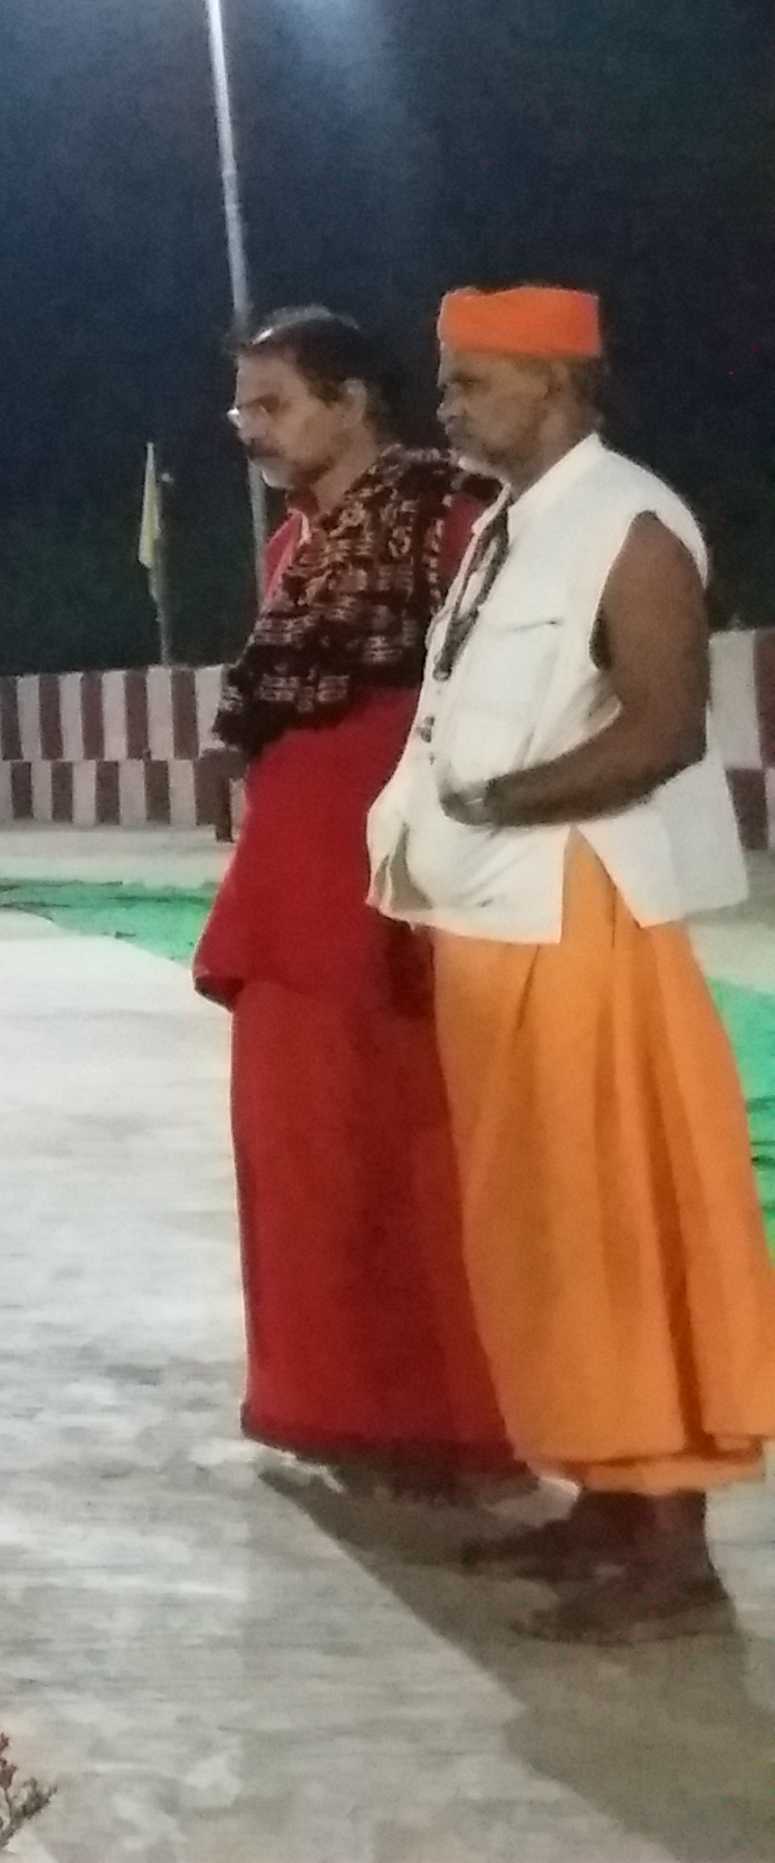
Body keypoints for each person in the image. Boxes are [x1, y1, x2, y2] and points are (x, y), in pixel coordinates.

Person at [369, 285, 775, 1643]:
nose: (447, 406)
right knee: (540, 1225)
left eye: (471, 383)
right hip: (500, 920)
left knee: (617, 1224)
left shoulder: (633, 524)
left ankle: (674, 1545)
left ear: (554, 384)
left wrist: (495, 803)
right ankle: (602, 1498)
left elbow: (661, 730)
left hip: (584, 917)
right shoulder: (512, 526)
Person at [195, 309, 513, 1498]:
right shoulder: (299, 547)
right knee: (305, 1158)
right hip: (293, 894)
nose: (250, 431)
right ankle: (329, 1408)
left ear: (353, 400)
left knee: (415, 1160)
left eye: (273, 404)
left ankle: (455, 1422)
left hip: (408, 894)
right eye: (242, 408)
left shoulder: (455, 522)